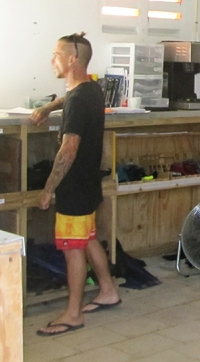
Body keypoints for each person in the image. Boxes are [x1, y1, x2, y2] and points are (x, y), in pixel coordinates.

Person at [31, 32, 120, 337]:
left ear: (72, 59)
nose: (51, 59)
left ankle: (72, 314)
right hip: (88, 185)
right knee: (88, 239)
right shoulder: (90, 89)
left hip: (74, 188)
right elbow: (68, 97)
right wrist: (47, 108)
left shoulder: (81, 99)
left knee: (72, 248)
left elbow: (68, 150)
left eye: (56, 54)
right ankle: (108, 290)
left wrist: (48, 189)